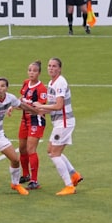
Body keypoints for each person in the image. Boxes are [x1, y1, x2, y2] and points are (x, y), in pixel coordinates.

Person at [33, 58, 83, 196]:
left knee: (55, 154)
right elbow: (53, 106)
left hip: (64, 122)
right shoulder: (51, 83)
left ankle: (69, 186)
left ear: (60, 69)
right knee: (51, 151)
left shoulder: (60, 82)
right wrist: (42, 110)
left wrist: (41, 106)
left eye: (54, 66)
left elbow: (59, 105)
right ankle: (74, 175)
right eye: (49, 66)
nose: (51, 68)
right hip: (59, 122)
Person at [18, 60, 48, 190]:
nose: (31, 73)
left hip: (36, 121)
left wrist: (24, 106)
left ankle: (34, 181)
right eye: (30, 70)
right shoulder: (25, 83)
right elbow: (21, 99)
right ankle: (26, 175)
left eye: (34, 71)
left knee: (31, 149)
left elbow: (40, 108)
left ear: (39, 73)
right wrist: (13, 106)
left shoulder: (41, 89)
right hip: (24, 120)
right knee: (22, 149)